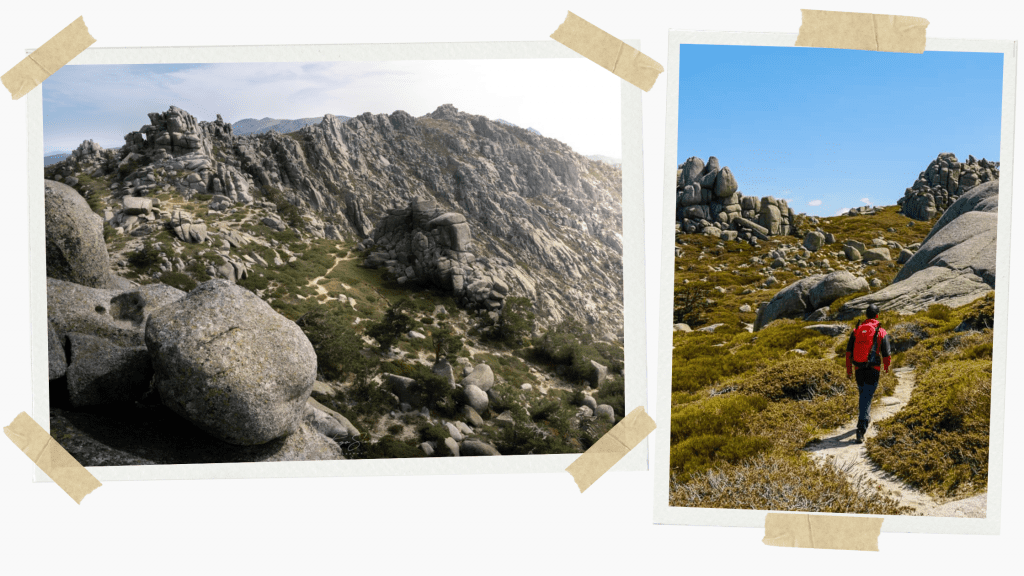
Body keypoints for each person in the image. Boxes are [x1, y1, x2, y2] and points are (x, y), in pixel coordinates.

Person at [845, 304, 892, 444]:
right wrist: (887, 367)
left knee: (864, 395)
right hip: (873, 369)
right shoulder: (881, 331)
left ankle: (865, 417)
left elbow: (848, 353)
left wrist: (849, 370)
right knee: (866, 396)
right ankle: (861, 429)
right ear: (877, 315)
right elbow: (887, 354)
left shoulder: (856, 330)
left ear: (866, 315)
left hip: (858, 369)